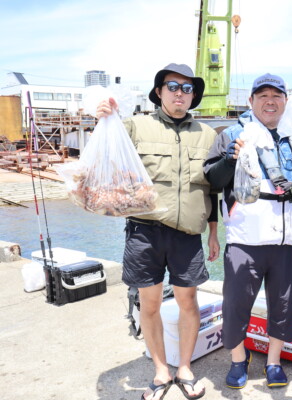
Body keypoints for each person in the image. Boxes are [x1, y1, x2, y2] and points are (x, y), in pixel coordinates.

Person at [97, 63, 220, 400]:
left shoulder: (208, 135)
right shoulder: (135, 125)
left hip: (188, 234)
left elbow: (213, 190)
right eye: (173, 86)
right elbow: (108, 152)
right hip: (144, 231)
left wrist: (213, 233)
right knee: (149, 304)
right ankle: (161, 370)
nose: (180, 92)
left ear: (193, 95)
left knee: (188, 301)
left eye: (187, 87)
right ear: (159, 91)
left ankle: (185, 368)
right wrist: (104, 115)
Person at [203, 73, 292, 389]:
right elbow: (213, 179)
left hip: (288, 239)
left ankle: (274, 362)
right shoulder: (232, 135)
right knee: (236, 302)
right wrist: (230, 159)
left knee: (285, 303)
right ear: (251, 101)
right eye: (262, 95)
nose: (270, 101)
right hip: (245, 238)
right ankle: (239, 359)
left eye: (277, 95)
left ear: (285, 100)